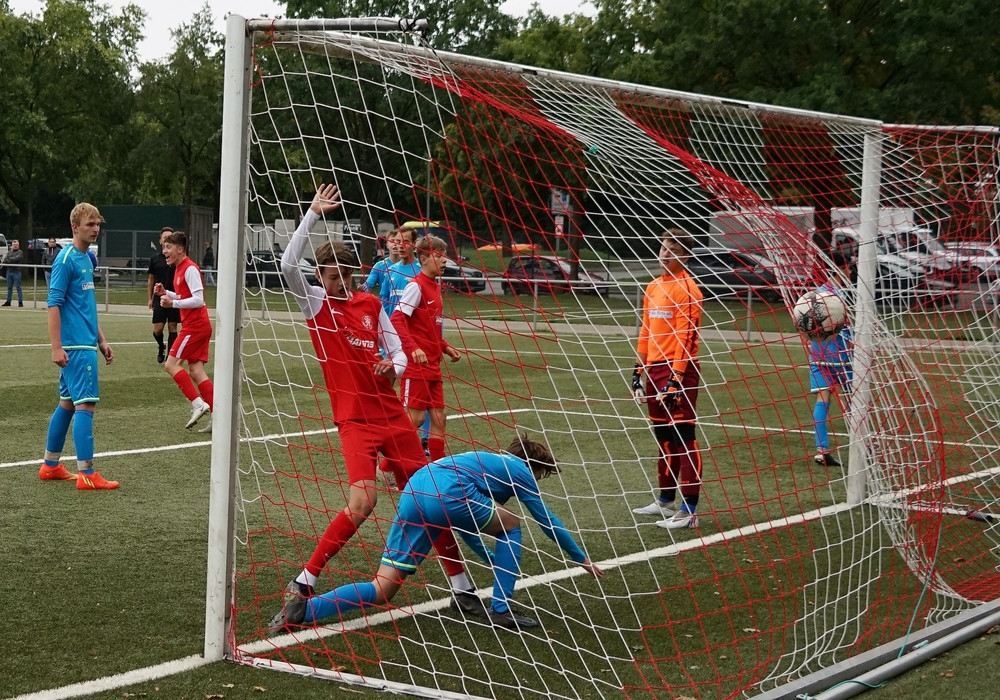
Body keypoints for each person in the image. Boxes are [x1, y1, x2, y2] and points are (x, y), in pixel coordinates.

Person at [271, 183, 483, 629]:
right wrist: (312, 214)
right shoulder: (315, 303)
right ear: (319, 276)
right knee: (363, 502)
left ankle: (463, 589)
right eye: (331, 276)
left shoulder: (369, 303)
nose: (339, 283)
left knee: (430, 499)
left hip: (392, 416)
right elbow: (288, 264)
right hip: (355, 421)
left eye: (344, 275)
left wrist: (394, 369)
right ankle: (305, 580)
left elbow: (399, 352)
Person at [270, 434, 603, 632]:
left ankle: (302, 612)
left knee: (383, 588)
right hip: (446, 492)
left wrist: (490, 557)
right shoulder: (520, 471)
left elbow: (459, 522)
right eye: (541, 474)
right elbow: (548, 523)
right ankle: (501, 609)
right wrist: (581, 559)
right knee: (513, 523)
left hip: (415, 491)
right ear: (533, 466)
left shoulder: (485, 465)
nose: (537, 481)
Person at [38, 203, 119, 490]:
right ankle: (87, 474)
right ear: (75, 227)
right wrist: (56, 347)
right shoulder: (65, 260)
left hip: (85, 342)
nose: (95, 229)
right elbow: (53, 304)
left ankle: (50, 466)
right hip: (75, 347)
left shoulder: (88, 259)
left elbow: (86, 305)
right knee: (86, 405)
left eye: (97, 224)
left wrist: (101, 339)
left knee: (67, 404)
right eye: (90, 224)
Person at [631, 228, 705, 529]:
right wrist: (638, 371)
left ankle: (689, 512)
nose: (665, 254)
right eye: (663, 248)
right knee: (663, 437)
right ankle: (666, 501)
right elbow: (646, 331)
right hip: (655, 369)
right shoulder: (653, 286)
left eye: (673, 250)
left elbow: (686, 338)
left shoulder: (688, 289)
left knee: (683, 438)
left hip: (680, 370)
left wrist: (676, 378)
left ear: (684, 256)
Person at [390, 233, 462, 462]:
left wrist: (445, 347)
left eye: (444, 256)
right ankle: (388, 466)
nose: (444, 260)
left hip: (433, 364)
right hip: (416, 366)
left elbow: (428, 328)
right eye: (438, 256)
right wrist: (413, 348)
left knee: (439, 418)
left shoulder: (435, 286)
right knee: (416, 419)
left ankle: (438, 467)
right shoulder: (416, 286)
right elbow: (397, 319)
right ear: (423, 259)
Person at [153, 231, 214, 432]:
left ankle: (198, 404)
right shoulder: (179, 268)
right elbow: (184, 295)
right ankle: (218, 417)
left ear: (180, 249)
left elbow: (198, 299)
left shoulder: (190, 269)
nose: (165, 251)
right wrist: (167, 293)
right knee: (196, 371)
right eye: (164, 247)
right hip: (197, 326)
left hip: (195, 326)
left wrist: (173, 303)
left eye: (168, 247)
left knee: (171, 365)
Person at [808, 283, 853, 467]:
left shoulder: (814, 295)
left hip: (818, 355)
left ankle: (821, 451)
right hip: (842, 357)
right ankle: (866, 446)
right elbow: (850, 325)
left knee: (822, 400)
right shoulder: (844, 296)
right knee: (854, 400)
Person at [147, 227, 181, 364]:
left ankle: (170, 357)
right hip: (159, 298)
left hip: (174, 297)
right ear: (160, 241)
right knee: (158, 329)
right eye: (165, 238)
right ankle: (161, 346)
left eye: (170, 238)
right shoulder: (155, 259)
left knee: (172, 326)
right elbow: (150, 280)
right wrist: (150, 299)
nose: (167, 240)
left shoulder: (176, 259)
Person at [359, 228, 402, 310]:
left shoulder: (412, 265)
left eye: (398, 241)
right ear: (387, 245)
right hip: (386, 310)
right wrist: (363, 288)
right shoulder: (379, 266)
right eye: (392, 241)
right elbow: (368, 284)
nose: (395, 244)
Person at [2, 239, 25, 307]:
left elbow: (17, 259)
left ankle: (20, 302)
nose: (15, 246)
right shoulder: (9, 252)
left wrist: (9, 259)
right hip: (9, 271)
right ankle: (8, 301)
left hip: (16, 271)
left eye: (16, 245)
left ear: (18, 245)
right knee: (9, 287)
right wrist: (11, 259)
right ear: (12, 245)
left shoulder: (20, 252)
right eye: (14, 245)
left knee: (18, 287)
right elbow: (5, 260)